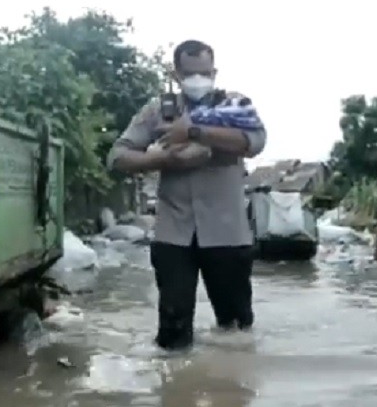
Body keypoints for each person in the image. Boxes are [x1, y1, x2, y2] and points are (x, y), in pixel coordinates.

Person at [106, 39, 267, 350]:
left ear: (214, 71)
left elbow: (255, 142)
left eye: (205, 73)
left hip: (227, 233)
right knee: (172, 331)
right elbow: (117, 156)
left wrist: (195, 132)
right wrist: (163, 159)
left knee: (236, 330)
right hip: (173, 233)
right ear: (177, 74)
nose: (198, 80)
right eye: (190, 73)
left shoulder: (234, 106)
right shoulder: (158, 111)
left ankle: (233, 393)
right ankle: (175, 393)